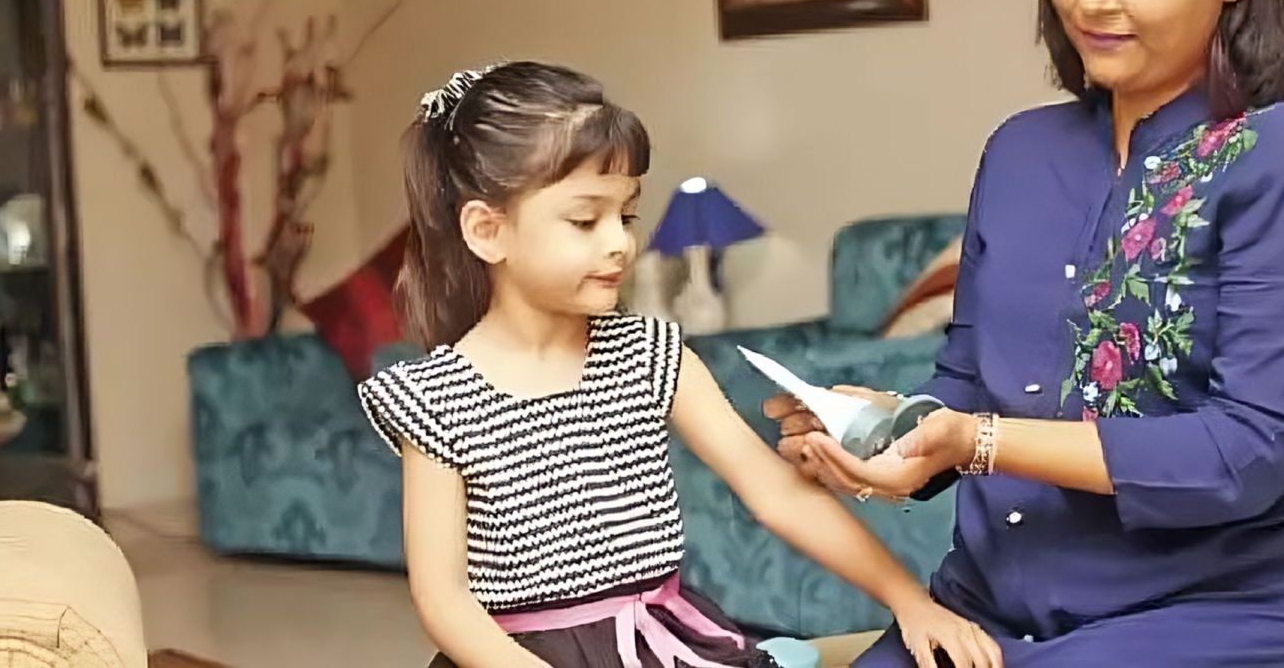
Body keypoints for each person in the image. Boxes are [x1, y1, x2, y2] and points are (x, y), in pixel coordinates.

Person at [768, 0, 1284, 665]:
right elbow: (964, 383)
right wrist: (890, 431)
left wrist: (978, 441)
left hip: (1200, 623)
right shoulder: (1021, 152)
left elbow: (1244, 453)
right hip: (981, 615)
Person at [359, 62, 1001, 668]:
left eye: (626, 214)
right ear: (487, 231)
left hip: (664, 646)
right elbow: (444, 601)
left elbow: (778, 493)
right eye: (584, 220)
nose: (620, 242)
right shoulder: (433, 399)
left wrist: (908, 600)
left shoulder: (650, 354)